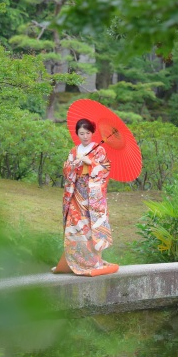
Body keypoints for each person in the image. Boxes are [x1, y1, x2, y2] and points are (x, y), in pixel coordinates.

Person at [52, 118, 119, 276]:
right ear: (77, 134)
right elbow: (66, 170)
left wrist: (90, 163)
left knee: (90, 228)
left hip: (91, 197)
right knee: (74, 227)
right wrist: (73, 165)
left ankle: (93, 262)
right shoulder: (74, 151)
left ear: (92, 132)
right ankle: (73, 261)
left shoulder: (98, 150)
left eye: (88, 133)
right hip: (76, 194)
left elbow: (105, 170)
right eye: (81, 133)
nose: (85, 136)